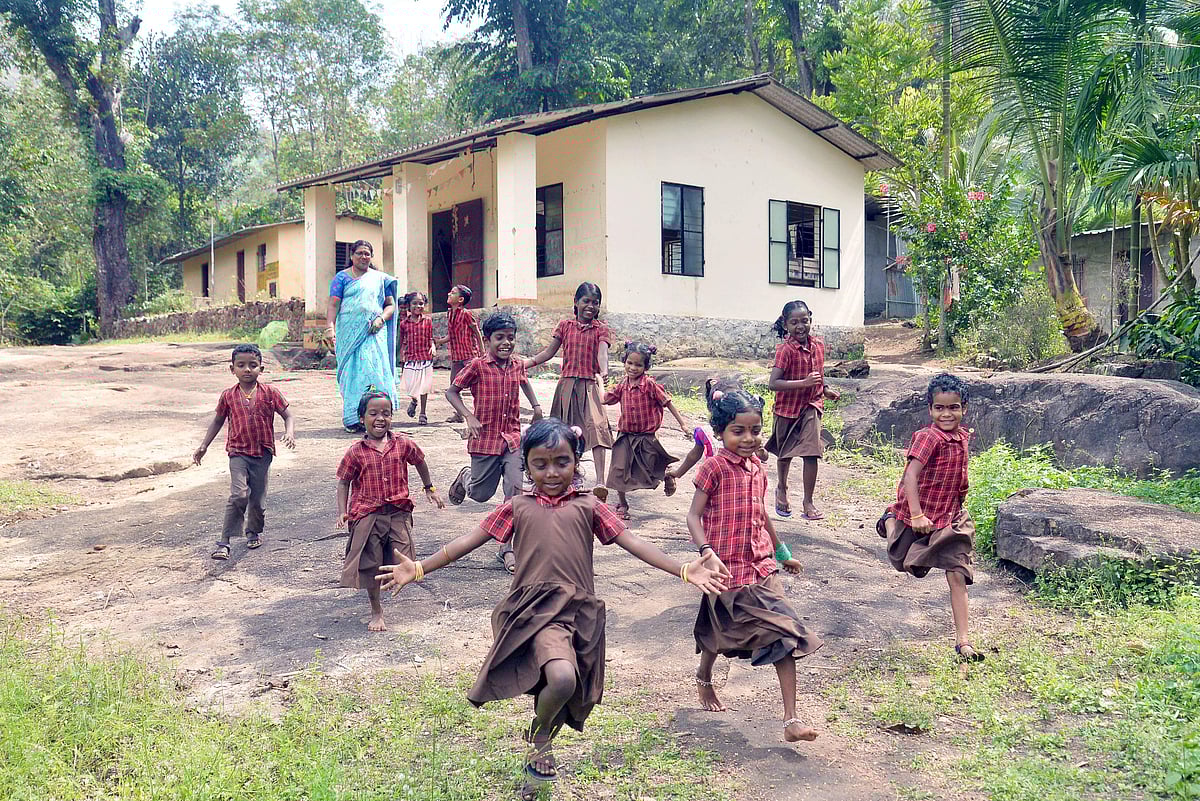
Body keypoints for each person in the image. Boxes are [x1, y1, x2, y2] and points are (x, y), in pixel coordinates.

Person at [376, 419, 728, 795]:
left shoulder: (590, 506)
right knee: (561, 678)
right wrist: (419, 567)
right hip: (535, 611)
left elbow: (634, 543)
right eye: (540, 464)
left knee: (569, 689)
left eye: (562, 462)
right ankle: (540, 737)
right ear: (527, 467)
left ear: (576, 461)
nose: (552, 472)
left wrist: (684, 569)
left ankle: (540, 743)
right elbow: (466, 541)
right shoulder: (517, 506)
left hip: (578, 613)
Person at [686, 387, 823, 743]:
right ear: (720, 432)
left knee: (784, 632)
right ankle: (704, 676)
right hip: (723, 569)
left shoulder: (758, 467)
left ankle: (791, 719)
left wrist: (782, 553)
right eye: (738, 431)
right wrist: (706, 551)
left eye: (755, 430)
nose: (748, 438)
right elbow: (693, 516)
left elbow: (761, 513)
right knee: (717, 632)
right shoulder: (713, 468)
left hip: (761, 566)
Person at [877, 373, 983, 662]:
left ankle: (964, 642)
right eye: (939, 408)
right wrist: (915, 514)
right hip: (919, 513)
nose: (946, 414)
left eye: (953, 407)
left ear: (964, 408)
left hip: (951, 517)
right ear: (930, 409)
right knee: (901, 560)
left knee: (957, 572)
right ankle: (889, 519)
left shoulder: (962, 437)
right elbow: (910, 476)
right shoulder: (928, 437)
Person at [336, 389, 445, 631]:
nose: (380, 418)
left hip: (398, 511)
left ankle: (391, 585)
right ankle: (376, 610)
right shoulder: (355, 451)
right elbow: (343, 482)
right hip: (368, 514)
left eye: (386, 413)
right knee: (370, 565)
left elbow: (420, 461)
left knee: (403, 557)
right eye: (373, 413)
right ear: (362, 418)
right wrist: (342, 511)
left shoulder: (403, 443)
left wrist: (430, 488)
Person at [445, 311, 544, 574]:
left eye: (510, 337)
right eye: (500, 337)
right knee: (480, 494)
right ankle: (466, 477)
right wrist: (468, 416)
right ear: (487, 340)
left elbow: (524, 382)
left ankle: (506, 547)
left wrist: (536, 407)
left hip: (512, 439)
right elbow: (452, 391)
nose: (506, 343)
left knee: (515, 493)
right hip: (485, 440)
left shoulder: (517, 364)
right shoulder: (477, 366)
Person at [193, 344, 296, 560]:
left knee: (257, 501)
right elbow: (218, 421)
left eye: (252, 365)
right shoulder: (228, 396)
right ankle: (224, 542)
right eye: (241, 365)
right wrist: (204, 445)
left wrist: (289, 432)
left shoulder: (270, 393)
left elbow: (288, 415)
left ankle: (253, 531)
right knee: (238, 495)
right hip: (238, 452)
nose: (247, 369)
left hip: (262, 453)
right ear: (232, 369)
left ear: (261, 369)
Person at [523, 282, 614, 497]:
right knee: (562, 432)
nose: (590, 306)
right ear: (576, 302)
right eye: (586, 301)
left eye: (595, 303)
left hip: (590, 385)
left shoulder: (601, 329)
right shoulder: (565, 326)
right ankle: (570, 476)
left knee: (597, 429)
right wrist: (526, 363)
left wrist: (604, 370)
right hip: (567, 386)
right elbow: (548, 353)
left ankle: (600, 482)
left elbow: (602, 353)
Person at [766, 300, 839, 520]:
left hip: (811, 406)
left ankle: (808, 501)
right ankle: (782, 488)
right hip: (787, 409)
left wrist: (825, 389)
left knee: (811, 453)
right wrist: (803, 383)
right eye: (794, 322)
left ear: (810, 320)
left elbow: (818, 375)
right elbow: (773, 383)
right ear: (785, 324)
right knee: (784, 454)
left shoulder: (819, 345)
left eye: (804, 321)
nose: (800, 326)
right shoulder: (785, 351)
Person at [602, 341, 690, 519]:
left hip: (646, 437)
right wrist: (598, 383)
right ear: (624, 362)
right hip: (625, 435)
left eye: (638, 365)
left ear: (646, 367)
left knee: (650, 469)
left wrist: (683, 424)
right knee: (618, 469)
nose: (633, 368)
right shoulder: (623, 384)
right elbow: (606, 399)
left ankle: (667, 475)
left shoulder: (649, 384)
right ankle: (622, 503)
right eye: (629, 363)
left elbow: (667, 402)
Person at [326, 240, 397, 433]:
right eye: (359, 253)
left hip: (374, 333)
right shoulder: (341, 278)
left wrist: (381, 319)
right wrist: (330, 328)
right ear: (352, 256)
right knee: (352, 375)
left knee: (374, 373)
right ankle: (352, 418)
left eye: (367, 253)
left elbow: (390, 305)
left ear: (371, 256)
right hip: (348, 335)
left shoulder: (380, 279)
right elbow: (333, 305)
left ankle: (378, 418)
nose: (363, 257)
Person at [664, 377, 768, 496]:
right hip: (716, 483)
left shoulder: (750, 432)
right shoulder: (705, 432)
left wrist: (761, 452)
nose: (747, 438)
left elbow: (764, 456)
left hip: (746, 487)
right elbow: (694, 455)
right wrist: (678, 473)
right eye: (737, 431)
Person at [434, 284, 483, 423]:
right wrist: (439, 341)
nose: (449, 294)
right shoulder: (450, 313)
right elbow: (452, 335)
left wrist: (482, 351)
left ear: (460, 299)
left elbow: (476, 332)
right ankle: (459, 414)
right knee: (453, 387)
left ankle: (479, 413)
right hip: (456, 356)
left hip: (469, 356)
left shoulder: (466, 314)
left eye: (453, 292)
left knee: (476, 387)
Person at [397, 292, 435, 425]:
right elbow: (401, 341)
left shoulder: (428, 321)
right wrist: (401, 354)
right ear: (408, 305)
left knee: (424, 386)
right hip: (410, 358)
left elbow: (431, 338)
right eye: (415, 303)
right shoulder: (404, 324)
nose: (418, 306)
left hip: (425, 357)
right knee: (410, 385)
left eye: (421, 303)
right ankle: (414, 400)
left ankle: (423, 413)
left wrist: (433, 347)